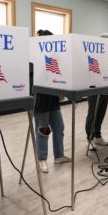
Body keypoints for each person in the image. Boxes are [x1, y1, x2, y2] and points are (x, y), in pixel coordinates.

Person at [33, 29, 71, 173]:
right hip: (40, 100)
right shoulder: (35, 58)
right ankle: (42, 159)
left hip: (53, 99)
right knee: (43, 131)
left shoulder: (55, 58)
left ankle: (59, 155)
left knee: (59, 127)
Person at [85, 33, 108, 146]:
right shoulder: (93, 52)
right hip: (94, 88)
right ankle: (90, 138)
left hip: (105, 87)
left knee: (101, 113)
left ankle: (97, 135)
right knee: (92, 113)